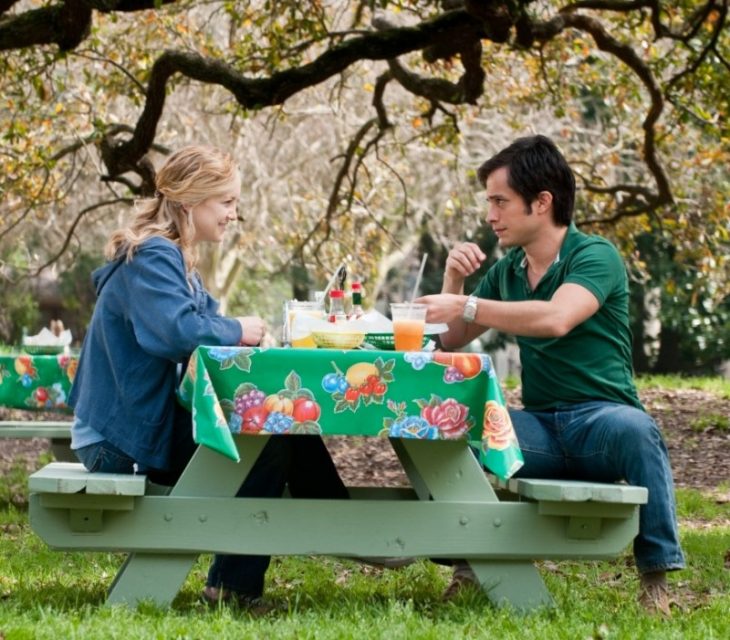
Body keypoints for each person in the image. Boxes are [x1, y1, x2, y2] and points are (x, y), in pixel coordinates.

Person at [69, 145, 348, 610]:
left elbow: (204, 327)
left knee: (275, 425)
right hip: (118, 441)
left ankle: (343, 521)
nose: (234, 215)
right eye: (227, 202)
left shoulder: (172, 258)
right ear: (190, 201)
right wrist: (242, 328)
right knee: (268, 437)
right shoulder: (153, 255)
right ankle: (254, 576)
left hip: (133, 427)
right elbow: (178, 332)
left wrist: (244, 333)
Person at [417, 135, 684, 616]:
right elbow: (449, 338)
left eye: (500, 201)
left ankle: (656, 582)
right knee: (455, 421)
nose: (490, 214)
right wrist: (455, 283)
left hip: (600, 424)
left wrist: (470, 302)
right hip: (538, 429)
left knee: (639, 430)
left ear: (542, 202)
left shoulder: (593, 255)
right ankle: (468, 567)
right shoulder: (509, 270)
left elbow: (556, 318)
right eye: (489, 202)